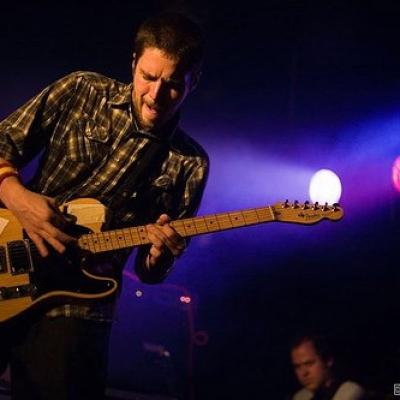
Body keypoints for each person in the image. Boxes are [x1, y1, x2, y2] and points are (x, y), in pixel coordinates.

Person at [0, 12, 208, 400]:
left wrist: (161, 254)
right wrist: (17, 196)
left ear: (193, 82)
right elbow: (3, 142)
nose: (156, 95)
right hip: (9, 254)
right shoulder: (81, 90)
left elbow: (148, 272)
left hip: (81, 304)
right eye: (148, 76)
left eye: (172, 85)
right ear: (133, 63)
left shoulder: (190, 164)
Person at [290, 335, 366, 400]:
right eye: (297, 367)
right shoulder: (300, 397)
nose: (303, 373)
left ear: (328, 361)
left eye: (309, 364)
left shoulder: (349, 393)